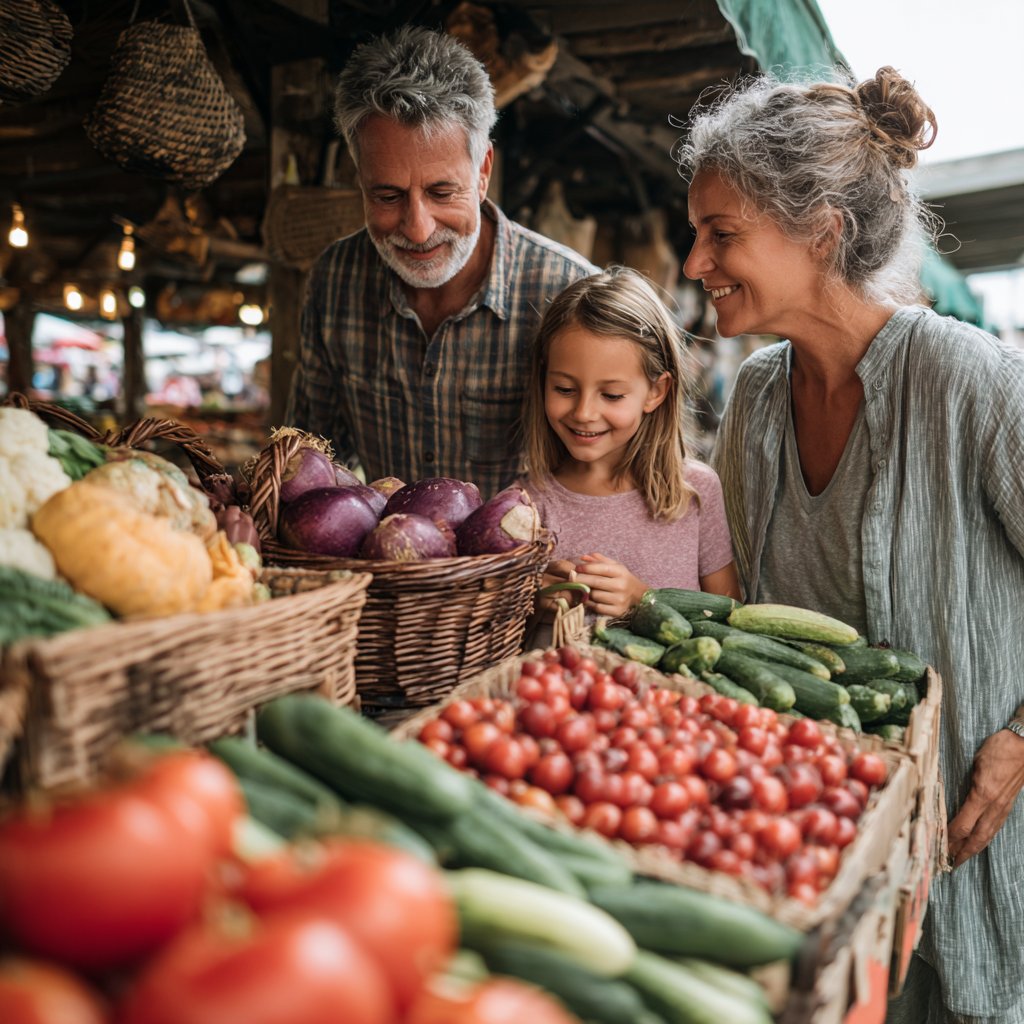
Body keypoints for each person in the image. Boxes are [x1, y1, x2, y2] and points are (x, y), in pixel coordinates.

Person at [680, 67, 1024, 1023]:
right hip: (824, 851)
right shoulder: (751, 399)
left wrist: (1020, 744)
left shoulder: (969, 381)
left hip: (978, 853)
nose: (696, 261)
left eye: (722, 234)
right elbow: (735, 601)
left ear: (821, 230)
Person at [285, 26, 596, 497]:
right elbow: (308, 457)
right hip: (390, 567)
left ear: (484, 172)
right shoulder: (334, 280)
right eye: (387, 196)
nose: (417, 228)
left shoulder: (569, 293)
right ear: (360, 180)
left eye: (442, 192)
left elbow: (620, 482)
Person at [519, 268, 742, 640]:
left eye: (611, 395)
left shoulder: (696, 492)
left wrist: (646, 601)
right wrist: (532, 600)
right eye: (564, 388)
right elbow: (489, 638)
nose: (584, 412)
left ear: (656, 392)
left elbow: (732, 624)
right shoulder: (524, 506)